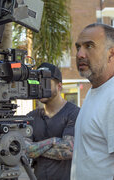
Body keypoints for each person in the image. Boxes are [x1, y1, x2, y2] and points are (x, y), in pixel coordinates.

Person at [71, 23, 114, 180]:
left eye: (89, 46)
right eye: (78, 47)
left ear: (111, 54)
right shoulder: (95, 91)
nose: (80, 54)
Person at [25, 62, 80, 180]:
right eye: (38, 83)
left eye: (45, 83)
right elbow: (24, 149)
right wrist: (53, 141)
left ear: (59, 86)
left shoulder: (74, 113)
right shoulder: (31, 117)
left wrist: (35, 148)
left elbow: (68, 150)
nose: (40, 87)